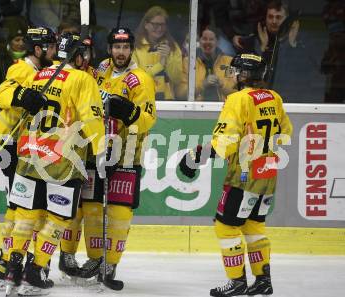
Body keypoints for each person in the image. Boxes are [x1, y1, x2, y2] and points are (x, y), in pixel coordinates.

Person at [0, 31, 105, 296]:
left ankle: (13, 270)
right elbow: (92, 120)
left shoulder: (38, 75)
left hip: (29, 155)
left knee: (25, 216)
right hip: (62, 162)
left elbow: (16, 103)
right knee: (56, 219)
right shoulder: (82, 79)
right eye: (85, 54)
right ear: (78, 55)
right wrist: (100, 152)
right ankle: (36, 272)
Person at [179, 53, 292, 296]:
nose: (232, 76)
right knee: (254, 226)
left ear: (243, 75)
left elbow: (225, 142)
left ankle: (237, 281)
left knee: (225, 227)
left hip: (243, 176)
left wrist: (195, 157)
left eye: (236, 71)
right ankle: (263, 280)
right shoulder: (275, 97)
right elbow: (286, 132)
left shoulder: (237, 100)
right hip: (268, 174)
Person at [60, 27, 156, 289]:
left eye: (125, 47)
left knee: (119, 212)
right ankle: (87, 258)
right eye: (116, 47)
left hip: (126, 153)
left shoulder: (141, 79)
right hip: (95, 150)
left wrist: (128, 112)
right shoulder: (100, 68)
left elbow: (148, 119)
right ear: (110, 48)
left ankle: (109, 264)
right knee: (89, 208)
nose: (120, 52)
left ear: (132, 48)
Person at [0, 26, 57, 291]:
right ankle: (4, 267)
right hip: (11, 145)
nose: (55, 52)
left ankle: (9, 266)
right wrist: (23, 96)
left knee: (23, 207)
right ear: (38, 49)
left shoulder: (42, 72)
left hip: (25, 145)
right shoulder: (22, 69)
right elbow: (3, 95)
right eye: (51, 47)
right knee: (17, 208)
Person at [133, 6, 182, 100]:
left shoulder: (173, 47)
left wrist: (168, 59)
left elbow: (177, 80)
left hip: (167, 103)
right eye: (155, 25)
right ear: (146, 25)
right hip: (142, 100)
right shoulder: (135, 47)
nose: (159, 29)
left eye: (162, 25)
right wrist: (160, 65)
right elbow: (136, 80)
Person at [176, 26, 236, 101]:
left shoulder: (229, 62)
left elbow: (236, 92)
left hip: (223, 108)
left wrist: (221, 85)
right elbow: (180, 93)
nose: (207, 42)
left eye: (211, 39)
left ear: (217, 42)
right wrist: (202, 85)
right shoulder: (188, 62)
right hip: (197, 109)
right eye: (204, 39)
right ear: (200, 41)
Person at [0, 22, 27, 89]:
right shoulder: (0, 58)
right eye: (17, 40)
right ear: (10, 42)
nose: (21, 43)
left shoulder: (33, 57)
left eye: (23, 40)